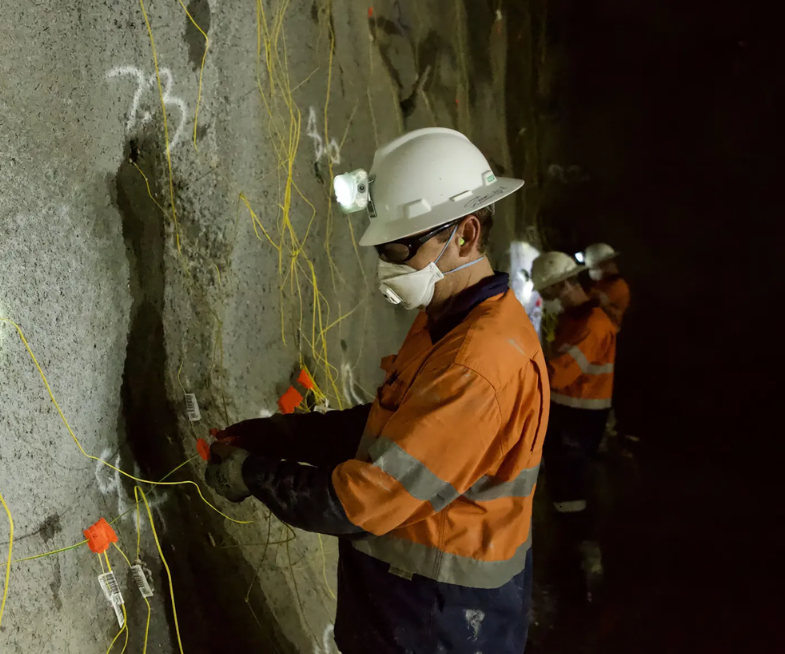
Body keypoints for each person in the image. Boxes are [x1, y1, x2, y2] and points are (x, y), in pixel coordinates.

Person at [204, 128, 548, 654]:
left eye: (400, 247)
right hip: (415, 601)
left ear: (466, 234)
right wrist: (281, 435)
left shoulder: (479, 364)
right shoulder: (450, 320)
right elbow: (394, 426)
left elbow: (361, 501)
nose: (388, 265)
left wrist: (252, 473)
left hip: (444, 618)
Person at [530, 251, 617, 599]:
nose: (546, 300)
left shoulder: (593, 325)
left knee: (570, 486)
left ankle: (584, 553)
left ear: (565, 285)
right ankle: (572, 545)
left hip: (581, 417)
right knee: (563, 481)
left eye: (549, 293)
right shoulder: (575, 317)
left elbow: (559, 373)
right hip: (569, 412)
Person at [584, 242, 630, 328]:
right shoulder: (601, 283)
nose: (613, 265)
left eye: (611, 261)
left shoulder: (618, 286)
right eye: (608, 262)